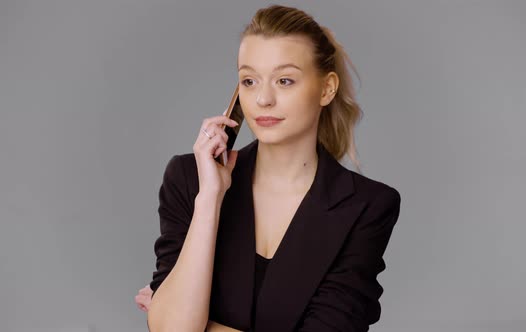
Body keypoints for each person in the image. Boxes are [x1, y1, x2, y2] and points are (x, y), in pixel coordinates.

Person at [145, 4, 401, 332]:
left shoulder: (366, 207)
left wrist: (204, 327)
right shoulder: (190, 180)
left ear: (327, 89)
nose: (263, 99)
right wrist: (209, 199)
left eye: (284, 80)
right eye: (249, 81)